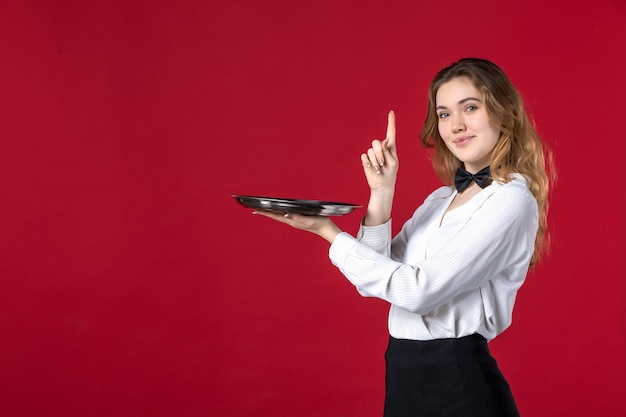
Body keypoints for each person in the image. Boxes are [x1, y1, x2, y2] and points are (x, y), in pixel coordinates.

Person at [254, 57, 554, 417]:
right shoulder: (441, 199)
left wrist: (327, 231)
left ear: (503, 114)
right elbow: (374, 278)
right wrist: (382, 192)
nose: (456, 125)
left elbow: (417, 290)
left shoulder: (511, 199)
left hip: (458, 382)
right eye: (444, 114)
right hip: (401, 373)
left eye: (470, 108)